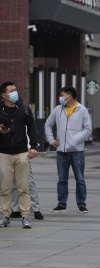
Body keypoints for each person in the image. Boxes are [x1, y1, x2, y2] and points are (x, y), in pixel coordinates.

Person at [0, 82, 38, 229]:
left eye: (15, 90)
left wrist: (34, 147)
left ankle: (26, 216)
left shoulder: (23, 108)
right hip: (4, 153)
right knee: (5, 188)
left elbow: (32, 127)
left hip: (22, 152)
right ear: (4, 95)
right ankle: (5, 216)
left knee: (23, 187)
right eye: (11, 91)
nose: (15, 93)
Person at [45, 85, 92, 213]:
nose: (60, 98)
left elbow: (88, 129)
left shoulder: (82, 110)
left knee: (80, 179)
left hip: (77, 151)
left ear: (69, 97)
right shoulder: (58, 110)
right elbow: (48, 124)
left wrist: (74, 140)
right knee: (62, 180)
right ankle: (61, 204)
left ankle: (81, 204)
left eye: (62, 95)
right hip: (61, 152)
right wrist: (51, 140)